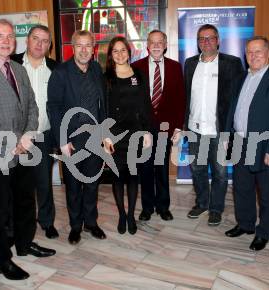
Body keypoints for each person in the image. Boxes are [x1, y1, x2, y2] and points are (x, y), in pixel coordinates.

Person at [0, 19, 55, 281]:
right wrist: (14, 141)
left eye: (10, 36)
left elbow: (32, 107)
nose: (6, 40)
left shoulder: (18, 68)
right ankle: (1, 260)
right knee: (1, 210)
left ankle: (25, 245)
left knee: (26, 202)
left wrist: (27, 136)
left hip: (25, 149)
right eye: (0, 36)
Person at [224, 36, 269, 251]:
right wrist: (226, 136)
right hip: (240, 141)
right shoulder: (240, 78)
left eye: (259, 51)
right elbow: (232, 109)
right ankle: (245, 224)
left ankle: (263, 232)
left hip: (264, 145)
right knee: (242, 187)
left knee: (267, 192)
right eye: (250, 52)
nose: (254, 55)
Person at [47, 30, 107, 244]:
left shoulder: (97, 70)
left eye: (88, 45)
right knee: (73, 185)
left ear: (93, 48)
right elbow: (53, 107)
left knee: (92, 183)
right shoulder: (61, 73)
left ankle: (91, 222)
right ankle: (75, 226)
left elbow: (103, 104)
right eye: (79, 45)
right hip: (71, 140)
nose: (84, 50)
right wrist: (62, 140)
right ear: (73, 47)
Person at [184, 24, 243, 226]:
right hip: (194, 128)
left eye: (210, 38)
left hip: (219, 130)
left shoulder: (232, 63)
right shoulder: (190, 63)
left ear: (218, 40)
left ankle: (216, 208)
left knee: (219, 172)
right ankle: (201, 203)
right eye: (201, 38)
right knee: (198, 169)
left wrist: (230, 131)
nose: (206, 42)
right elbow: (186, 96)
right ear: (197, 42)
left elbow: (237, 98)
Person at [132, 30, 186, 222]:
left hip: (165, 128)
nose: (156, 45)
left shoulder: (175, 67)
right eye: (152, 42)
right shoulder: (135, 67)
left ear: (165, 45)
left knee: (162, 168)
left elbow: (181, 99)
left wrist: (178, 127)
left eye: (160, 42)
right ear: (147, 45)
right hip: (144, 129)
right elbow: (133, 101)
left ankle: (163, 207)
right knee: (145, 168)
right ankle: (147, 207)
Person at [11, 24, 59, 239]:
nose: (40, 44)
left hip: (44, 136)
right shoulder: (11, 64)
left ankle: (47, 222)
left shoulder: (56, 68)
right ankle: (20, 223)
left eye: (45, 41)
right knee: (19, 184)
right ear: (27, 41)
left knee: (44, 183)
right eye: (36, 39)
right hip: (18, 137)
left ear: (49, 45)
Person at [103, 36, 152, 234]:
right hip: (113, 135)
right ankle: (121, 215)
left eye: (123, 50)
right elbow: (103, 107)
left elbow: (145, 104)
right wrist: (104, 135)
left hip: (135, 134)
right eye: (116, 51)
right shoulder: (105, 76)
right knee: (117, 177)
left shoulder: (138, 74)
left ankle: (131, 215)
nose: (120, 54)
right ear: (110, 55)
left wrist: (147, 130)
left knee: (132, 177)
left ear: (129, 52)